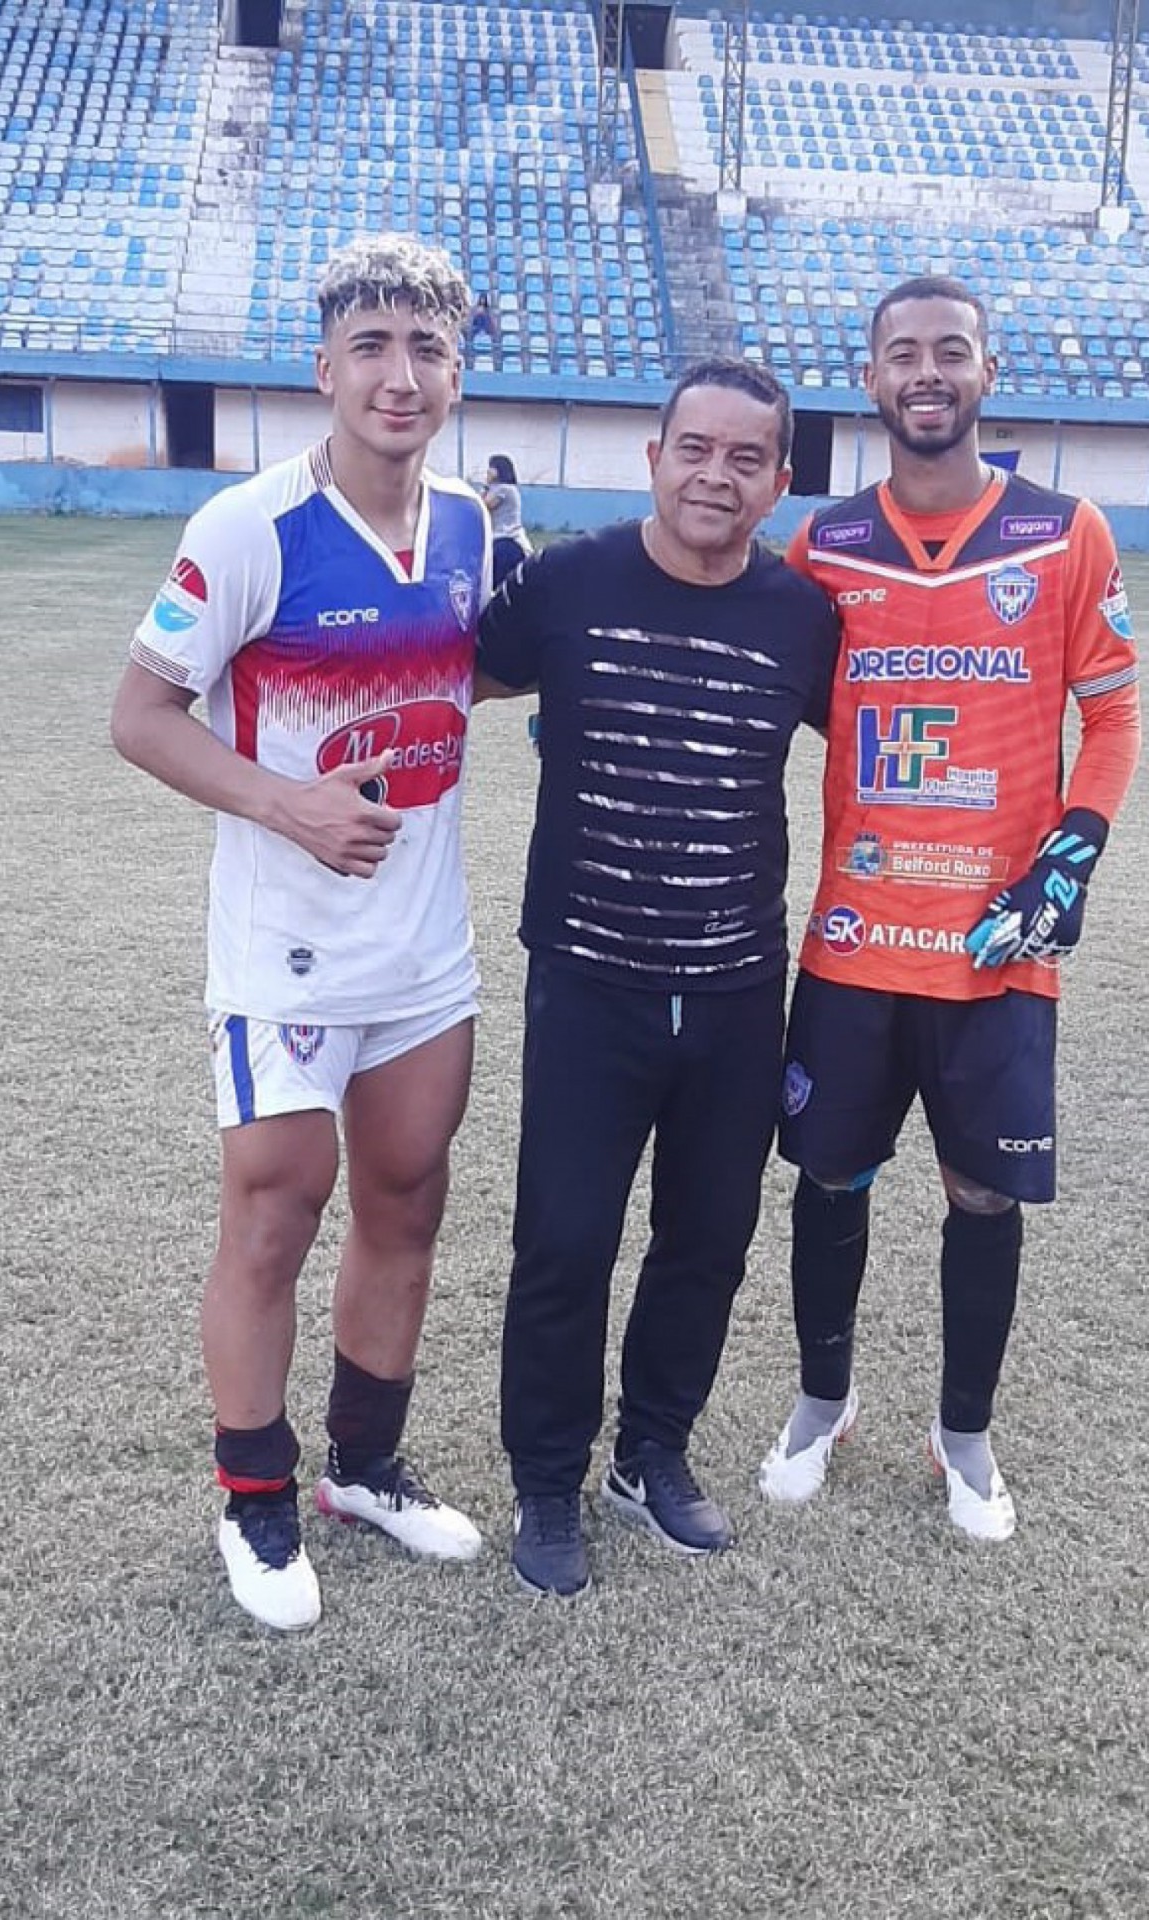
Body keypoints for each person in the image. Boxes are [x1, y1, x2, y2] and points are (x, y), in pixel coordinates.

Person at [110, 234, 492, 1631]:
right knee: (274, 1217)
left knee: (406, 1202)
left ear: (458, 373)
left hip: (424, 954)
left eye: (428, 350)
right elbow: (138, 715)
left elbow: (452, 672)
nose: (401, 376)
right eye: (374, 347)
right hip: (283, 954)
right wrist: (292, 808)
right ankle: (256, 1504)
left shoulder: (467, 523)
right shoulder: (244, 529)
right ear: (323, 366)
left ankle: (366, 1470)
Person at [758, 275, 1141, 1540]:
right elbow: (780, 686)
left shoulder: (1063, 531)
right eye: (901, 355)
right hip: (856, 942)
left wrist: (1066, 857)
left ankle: (961, 1434)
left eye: (950, 352)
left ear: (986, 371)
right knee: (828, 1180)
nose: (926, 373)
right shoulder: (822, 546)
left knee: (982, 1197)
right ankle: (822, 1402)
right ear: (868, 380)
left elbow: (1114, 708)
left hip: (992, 951)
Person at [475, 358, 841, 1596]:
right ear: (654, 456)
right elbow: (451, 679)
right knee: (564, 1242)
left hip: (738, 988)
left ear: (778, 484)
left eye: (746, 459)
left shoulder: (800, 617)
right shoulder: (566, 583)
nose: (714, 476)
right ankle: (545, 1481)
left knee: (708, 1238)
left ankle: (651, 1455)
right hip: (587, 981)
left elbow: (881, 741)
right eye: (695, 448)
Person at [481, 453, 533, 588]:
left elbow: (484, 505)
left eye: (491, 467)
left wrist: (486, 484)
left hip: (507, 538)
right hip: (497, 538)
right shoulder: (497, 488)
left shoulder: (505, 489)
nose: (488, 471)